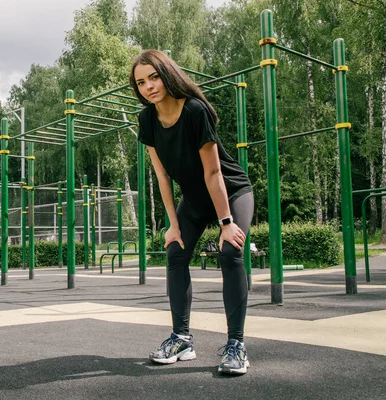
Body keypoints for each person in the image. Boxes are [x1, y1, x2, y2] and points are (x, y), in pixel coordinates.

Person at [129, 49, 254, 375]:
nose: (149, 86)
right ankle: (182, 338)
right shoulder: (146, 120)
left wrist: (226, 224)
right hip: (196, 201)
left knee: (230, 252)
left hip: (231, 191)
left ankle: (236, 345)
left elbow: (213, 175)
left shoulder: (196, 111)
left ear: (167, 74)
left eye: (154, 77)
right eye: (141, 82)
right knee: (176, 251)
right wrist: (173, 224)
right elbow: (162, 175)